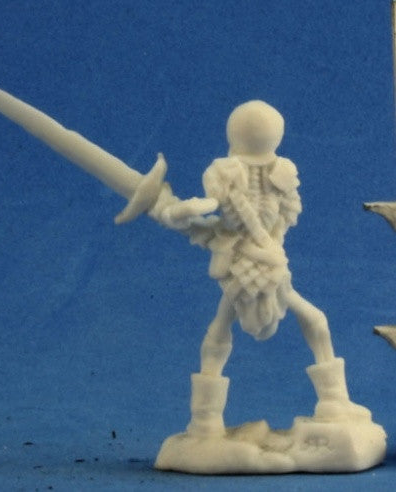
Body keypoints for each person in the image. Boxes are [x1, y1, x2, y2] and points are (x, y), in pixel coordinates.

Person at [151, 100, 370, 437]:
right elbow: (213, 204)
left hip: (270, 261)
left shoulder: (283, 171)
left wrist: (270, 248)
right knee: (226, 328)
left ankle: (334, 401)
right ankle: (205, 418)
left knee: (307, 320)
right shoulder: (225, 172)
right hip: (239, 261)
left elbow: (286, 215)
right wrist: (183, 211)